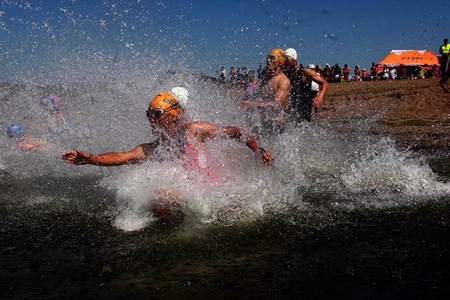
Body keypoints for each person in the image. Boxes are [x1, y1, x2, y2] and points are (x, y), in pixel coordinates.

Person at [62, 87, 273, 169]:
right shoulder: (156, 147)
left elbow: (236, 132)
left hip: (214, 192)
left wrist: (259, 150)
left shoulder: (195, 130)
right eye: (148, 114)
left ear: (173, 115)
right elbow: (123, 156)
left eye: (156, 114)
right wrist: (90, 158)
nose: (151, 120)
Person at [239, 48, 292, 136]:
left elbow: (277, 103)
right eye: (268, 58)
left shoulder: (283, 81)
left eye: (272, 58)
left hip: (276, 125)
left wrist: (255, 104)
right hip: (263, 121)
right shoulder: (266, 77)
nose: (268, 61)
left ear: (280, 62)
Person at [282, 48, 329, 123]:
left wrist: (320, 96)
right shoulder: (286, 72)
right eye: (284, 59)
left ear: (294, 59)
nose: (285, 62)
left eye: (287, 59)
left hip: (304, 106)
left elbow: (325, 83)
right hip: (292, 104)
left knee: (302, 127)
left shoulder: (305, 71)